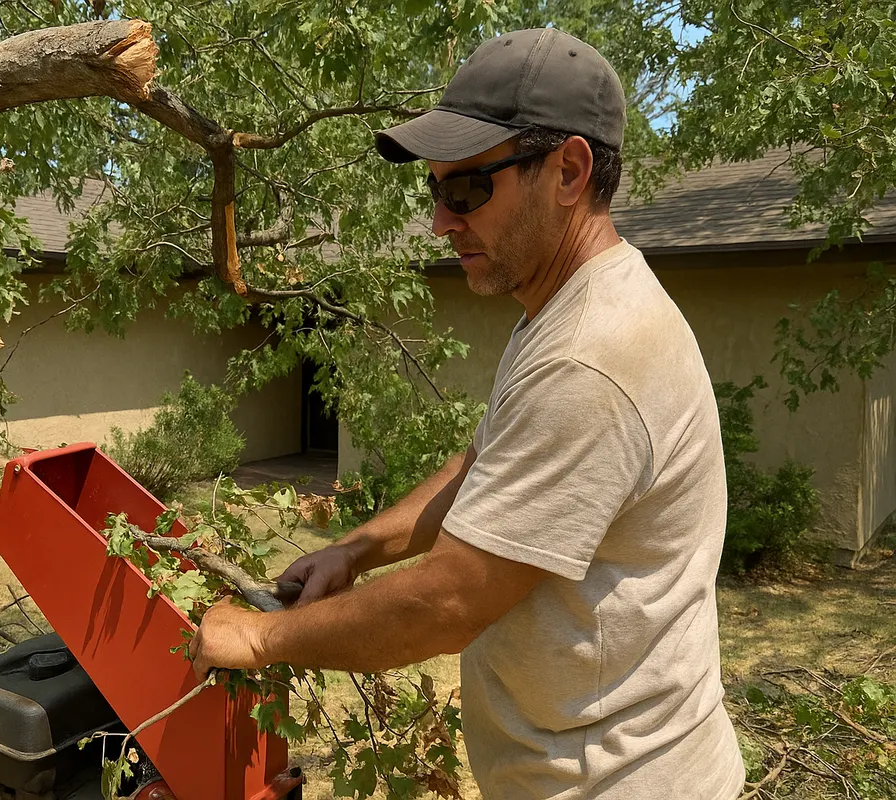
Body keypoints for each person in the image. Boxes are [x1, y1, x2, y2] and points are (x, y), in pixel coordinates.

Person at [191, 27, 747, 799]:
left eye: (466, 191)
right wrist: (356, 551)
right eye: (436, 192)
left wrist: (261, 635)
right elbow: (482, 464)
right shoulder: (559, 312)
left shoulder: (592, 354)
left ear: (569, 171)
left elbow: (452, 598)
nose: (441, 223)